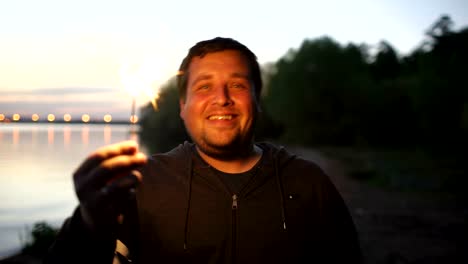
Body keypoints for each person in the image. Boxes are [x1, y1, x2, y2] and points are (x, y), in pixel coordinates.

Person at [44, 37, 362, 263]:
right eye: (204, 86)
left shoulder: (309, 183)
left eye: (237, 85)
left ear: (257, 101)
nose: (221, 98)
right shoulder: (140, 182)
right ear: (182, 107)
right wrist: (88, 224)